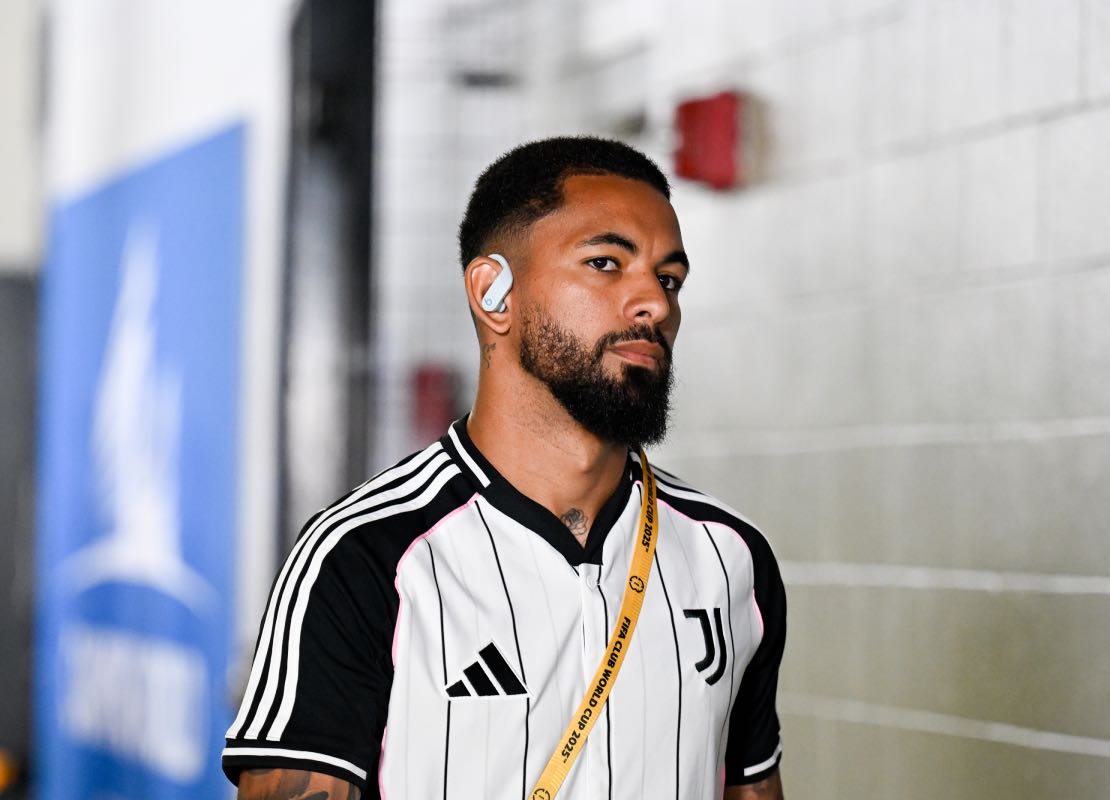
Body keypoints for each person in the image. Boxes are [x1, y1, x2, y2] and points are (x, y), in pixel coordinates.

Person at [222, 136, 787, 800]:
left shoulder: (731, 557)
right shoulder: (366, 555)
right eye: (606, 263)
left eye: (668, 279)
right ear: (494, 293)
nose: (655, 304)